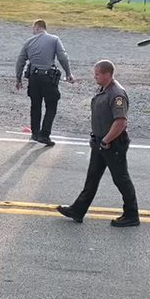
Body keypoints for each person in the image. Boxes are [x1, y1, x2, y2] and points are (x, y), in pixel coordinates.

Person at [57, 60, 140, 227]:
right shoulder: (103, 89)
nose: (94, 76)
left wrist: (106, 140)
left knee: (121, 179)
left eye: (97, 74)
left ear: (107, 74)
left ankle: (132, 214)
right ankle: (78, 210)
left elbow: (120, 122)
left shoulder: (117, 94)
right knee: (92, 178)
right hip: (100, 142)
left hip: (112, 144)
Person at [14, 19, 73, 146]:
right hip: (48, 78)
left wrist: (18, 79)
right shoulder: (54, 39)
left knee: (35, 105)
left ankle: (35, 133)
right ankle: (45, 135)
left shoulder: (28, 42)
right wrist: (68, 73)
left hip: (34, 78)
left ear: (36, 27)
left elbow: (20, 61)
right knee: (51, 106)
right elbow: (62, 56)